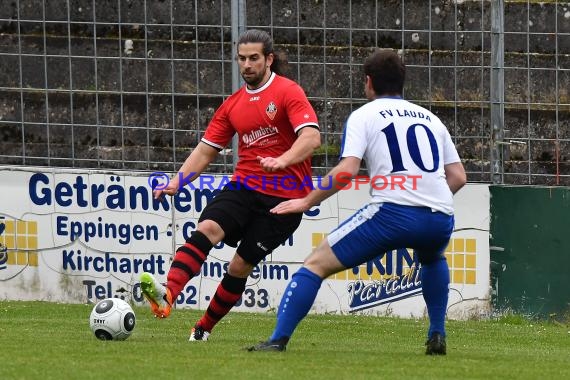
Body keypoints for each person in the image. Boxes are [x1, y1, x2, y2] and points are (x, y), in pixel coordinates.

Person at [247, 49, 466, 355]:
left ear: (368, 82)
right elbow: (458, 176)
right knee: (432, 259)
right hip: (440, 215)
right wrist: (427, 199)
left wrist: (305, 201)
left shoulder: (364, 115)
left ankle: (278, 339)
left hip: (392, 213)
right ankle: (437, 334)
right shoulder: (431, 119)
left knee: (314, 265)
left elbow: (346, 171)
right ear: (403, 83)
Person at [140, 29, 321, 341]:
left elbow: (311, 137)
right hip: (245, 186)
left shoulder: (288, 92)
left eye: (254, 58)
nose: (247, 64)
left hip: (285, 200)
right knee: (207, 227)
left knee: (239, 266)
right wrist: (177, 181)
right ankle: (168, 295)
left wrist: (284, 160)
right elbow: (205, 150)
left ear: (269, 60)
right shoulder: (233, 105)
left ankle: (203, 328)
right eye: (242, 59)